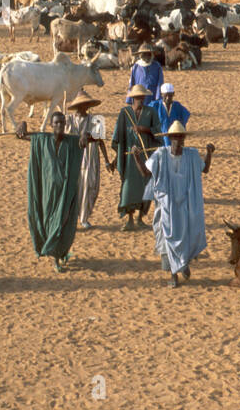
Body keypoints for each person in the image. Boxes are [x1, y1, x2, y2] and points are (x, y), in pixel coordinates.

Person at [128, 120, 216, 287]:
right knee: (166, 237)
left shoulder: (191, 155)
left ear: (183, 139)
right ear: (169, 138)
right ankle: (173, 275)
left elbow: (204, 169)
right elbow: (146, 173)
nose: (176, 140)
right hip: (166, 206)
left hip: (185, 205)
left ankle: (183, 264)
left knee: (186, 236)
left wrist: (209, 152)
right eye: (173, 137)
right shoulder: (160, 155)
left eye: (179, 137)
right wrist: (137, 157)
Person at [16, 111, 85, 272]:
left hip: (65, 192)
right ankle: (55, 256)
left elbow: (87, 141)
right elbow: (22, 135)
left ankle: (58, 256)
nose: (60, 125)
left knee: (63, 221)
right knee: (50, 222)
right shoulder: (42, 140)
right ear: (51, 125)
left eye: (62, 122)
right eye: (57, 123)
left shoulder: (71, 142)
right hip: (47, 192)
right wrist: (22, 125)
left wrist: (84, 134)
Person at [110, 84, 162, 230]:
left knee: (145, 186)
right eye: (138, 97)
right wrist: (117, 157)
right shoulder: (124, 113)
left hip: (146, 156)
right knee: (128, 187)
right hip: (129, 157)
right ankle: (130, 219)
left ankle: (140, 219)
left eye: (143, 97)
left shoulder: (151, 112)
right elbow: (118, 135)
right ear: (132, 98)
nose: (141, 99)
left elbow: (158, 132)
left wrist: (144, 129)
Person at [66, 90, 111, 229]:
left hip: (91, 157)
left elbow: (100, 141)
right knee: (75, 188)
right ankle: (75, 218)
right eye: (81, 104)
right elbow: (65, 138)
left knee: (90, 186)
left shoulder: (96, 120)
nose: (84, 107)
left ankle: (84, 217)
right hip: (75, 157)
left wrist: (106, 161)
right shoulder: (69, 120)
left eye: (86, 104)